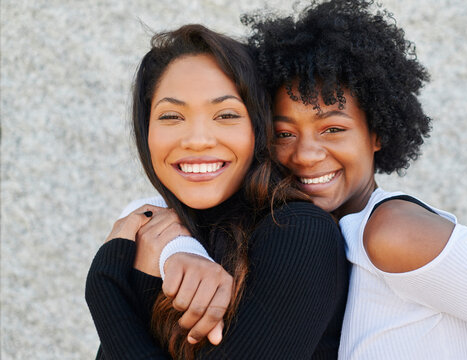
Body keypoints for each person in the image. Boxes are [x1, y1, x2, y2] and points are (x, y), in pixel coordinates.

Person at [158, 0, 467, 359]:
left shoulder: (394, 234)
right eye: (284, 134)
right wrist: (175, 246)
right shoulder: (293, 229)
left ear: (377, 134)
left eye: (332, 129)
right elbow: (152, 213)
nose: (306, 154)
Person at [85, 24, 349, 359]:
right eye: (171, 116)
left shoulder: (298, 232)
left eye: (225, 114)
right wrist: (161, 257)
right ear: (145, 129)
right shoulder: (160, 236)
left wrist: (105, 286)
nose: (197, 139)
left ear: (258, 127)